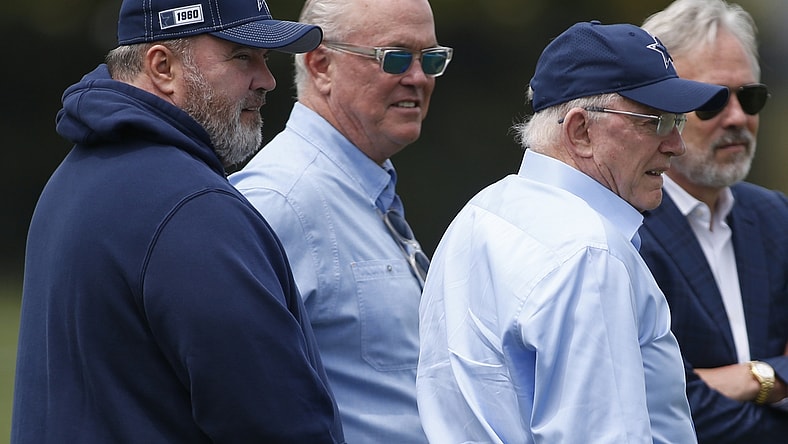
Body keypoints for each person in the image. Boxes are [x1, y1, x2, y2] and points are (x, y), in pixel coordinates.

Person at [11, 0, 345, 442]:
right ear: (163, 66)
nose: (266, 80)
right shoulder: (192, 209)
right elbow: (281, 425)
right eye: (242, 56)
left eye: (265, 59)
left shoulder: (72, 181)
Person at [416, 20, 730, 443]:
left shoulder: (479, 214)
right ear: (581, 131)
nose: (676, 144)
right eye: (655, 121)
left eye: (677, 121)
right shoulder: (589, 252)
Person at [228, 0, 450, 441]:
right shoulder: (279, 201)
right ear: (321, 64)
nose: (419, 77)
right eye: (397, 58)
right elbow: (234, 395)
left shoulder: (362, 188)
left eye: (432, 58)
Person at [638, 0, 788, 442]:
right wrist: (769, 377)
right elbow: (664, 408)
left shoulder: (775, 217)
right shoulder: (624, 232)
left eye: (751, 96)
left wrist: (732, 382)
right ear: (660, 108)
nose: (738, 117)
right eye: (713, 100)